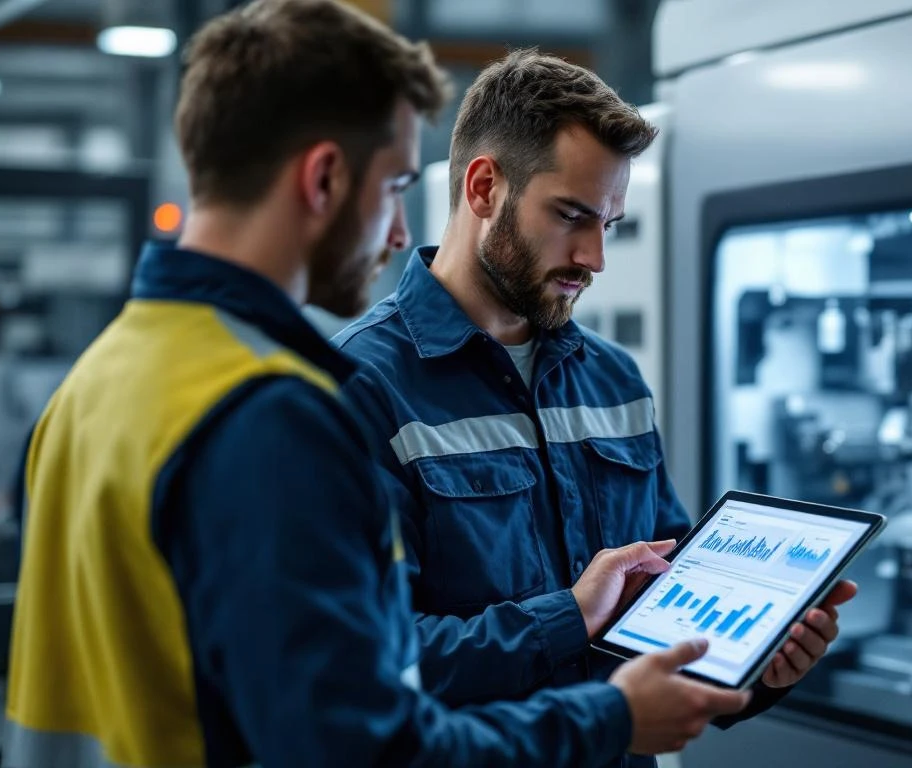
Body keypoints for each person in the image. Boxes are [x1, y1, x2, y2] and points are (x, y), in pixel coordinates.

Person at [3, 3, 749, 767]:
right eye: (395, 186)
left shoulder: (96, 382)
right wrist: (605, 718)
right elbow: (365, 743)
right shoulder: (272, 411)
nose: (399, 232)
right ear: (324, 176)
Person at [333, 49, 859, 767]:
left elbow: (668, 601)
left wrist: (757, 664)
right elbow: (368, 664)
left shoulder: (613, 381)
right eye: (572, 216)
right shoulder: (358, 387)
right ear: (485, 187)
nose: (595, 256)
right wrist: (569, 617)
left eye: (609, 222)